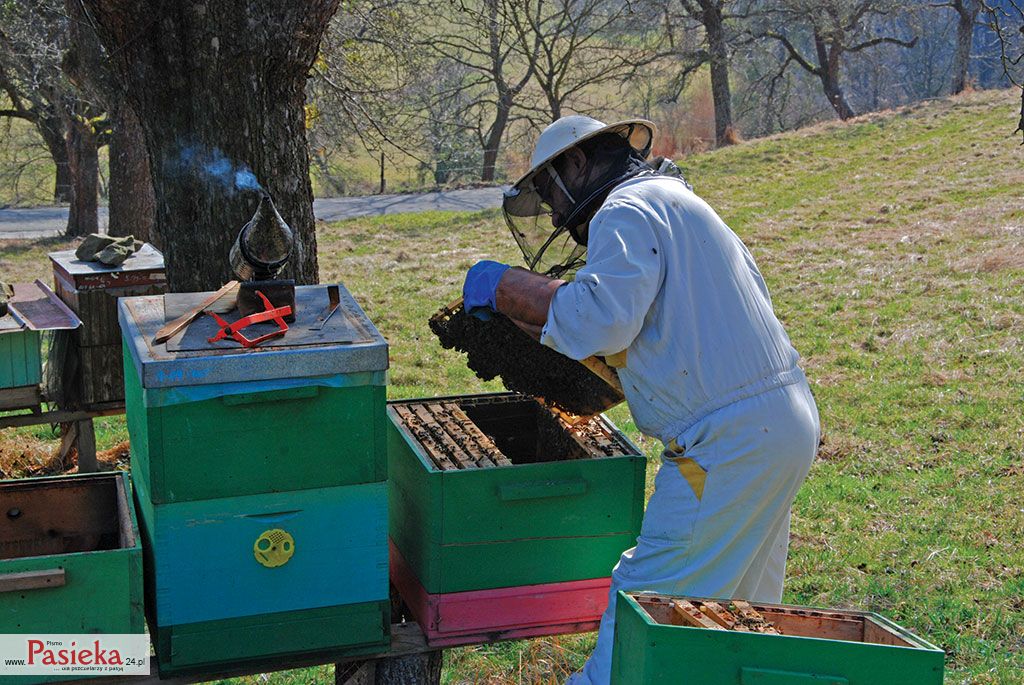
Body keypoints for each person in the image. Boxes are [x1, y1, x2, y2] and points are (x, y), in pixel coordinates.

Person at [461, 115, 820, 685]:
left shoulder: (625, 209)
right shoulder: (676, 205)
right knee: (737, 616)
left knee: (647, 605)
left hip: (725, 444)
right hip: (781, 426)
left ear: (576, 164)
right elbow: (645, 333)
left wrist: (502, 286)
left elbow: (599, 318)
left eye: (550, 194)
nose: (554, 215)